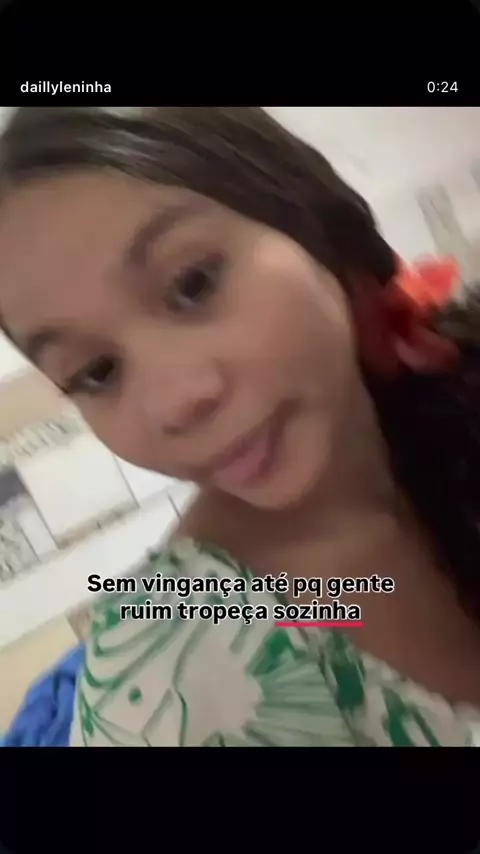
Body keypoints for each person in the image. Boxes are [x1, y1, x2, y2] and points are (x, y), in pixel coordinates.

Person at [0, 107, 480, 747]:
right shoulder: (177, 684)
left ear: (311, 228)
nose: (175, 401)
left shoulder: (448, 392)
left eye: (193, 284)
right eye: (98, 371)